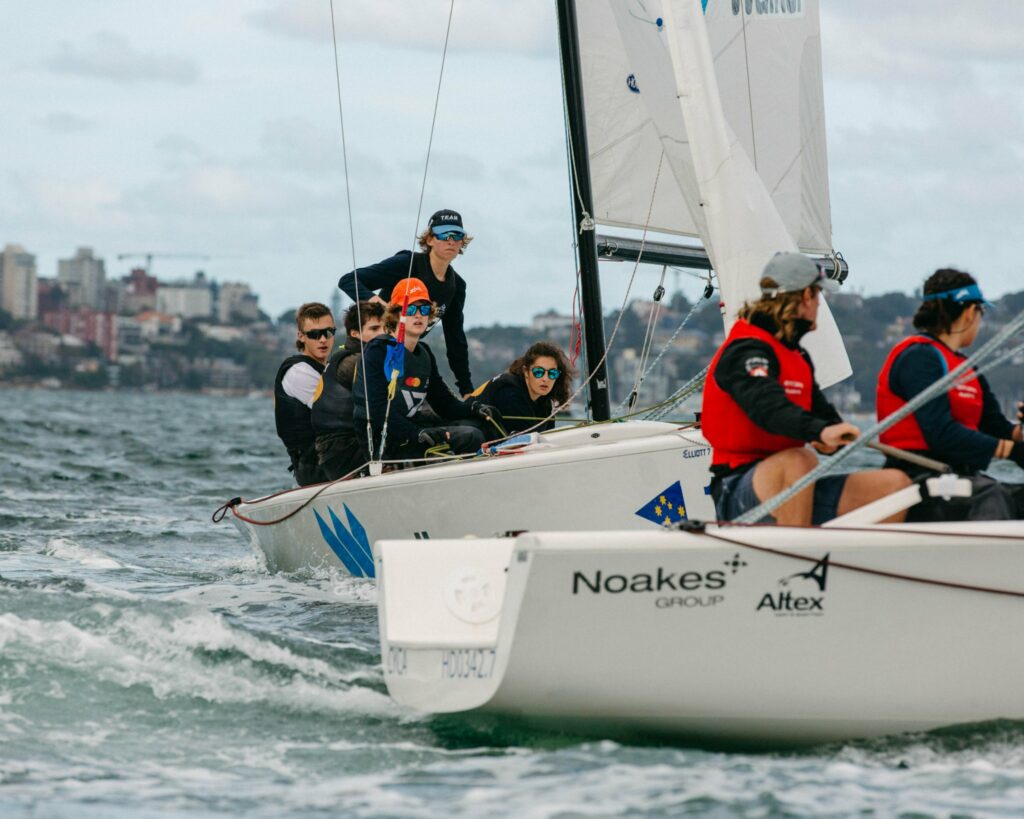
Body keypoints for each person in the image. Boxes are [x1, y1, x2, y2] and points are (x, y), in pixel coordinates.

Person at [702, 252, 910, 525]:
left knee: (896, 486)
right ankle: (796, 561)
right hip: (738, 488)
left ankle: (850, 564)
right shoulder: (746, 350)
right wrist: (818, 431)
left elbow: (821, 417)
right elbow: (766, 406)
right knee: (800, 460)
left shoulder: (797, 357)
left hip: (791, 484)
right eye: (818, 295)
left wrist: (832, 435)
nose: (820, 305)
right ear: (804, 297)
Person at [876, 268, 1024, 518]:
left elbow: (995, 426)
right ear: (969, 314)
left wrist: (1019, 433)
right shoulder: (918, 358)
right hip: (919, 476)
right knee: (992, 496)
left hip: (962, 478)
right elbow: (939, 432)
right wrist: (1009, 451)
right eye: (981, 312)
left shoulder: (968, 368)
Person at [351, 277, 500, 462]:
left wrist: (474, 408)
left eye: (424, 309)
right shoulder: (379, 350)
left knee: (480, 424)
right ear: (396, 314)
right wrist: (416, 433)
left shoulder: (425, 353)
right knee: (470, 436)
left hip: (413, 431)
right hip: (385, 441)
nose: (419, 314)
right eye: (411, 309)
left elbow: (444, 404)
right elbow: (377, 410)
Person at [338, 209, 474, 396]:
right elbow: (348, 280)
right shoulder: (408, 263)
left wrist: (466, 389)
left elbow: (455, 339)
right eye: (444, 234)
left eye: (457, 235)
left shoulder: (456, 286)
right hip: (370, 347)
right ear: (430, 239)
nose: (451, 240)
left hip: (405, 353)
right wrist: (380, 305)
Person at [311, 301, 386, 480]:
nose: (383, 333)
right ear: (355, 333)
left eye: (385, 328)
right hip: (343, 454)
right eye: (375, 329)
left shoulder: (366, 358)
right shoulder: (354, 363)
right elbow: (392, 402)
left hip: (349, 447)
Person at [274, 302, 335, 486]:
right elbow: (334, 413)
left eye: (329, 332)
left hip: (330, 460)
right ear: (301, 337)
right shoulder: (300, 371)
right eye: (315, 334)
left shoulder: (326, 368)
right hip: (314, 468)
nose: (323, 339)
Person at [474, 341, 575, 434]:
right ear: (526, 371)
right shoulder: (509, 395)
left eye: (552, 373)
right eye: (538, 372)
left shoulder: (545, 403)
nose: (546, 379)